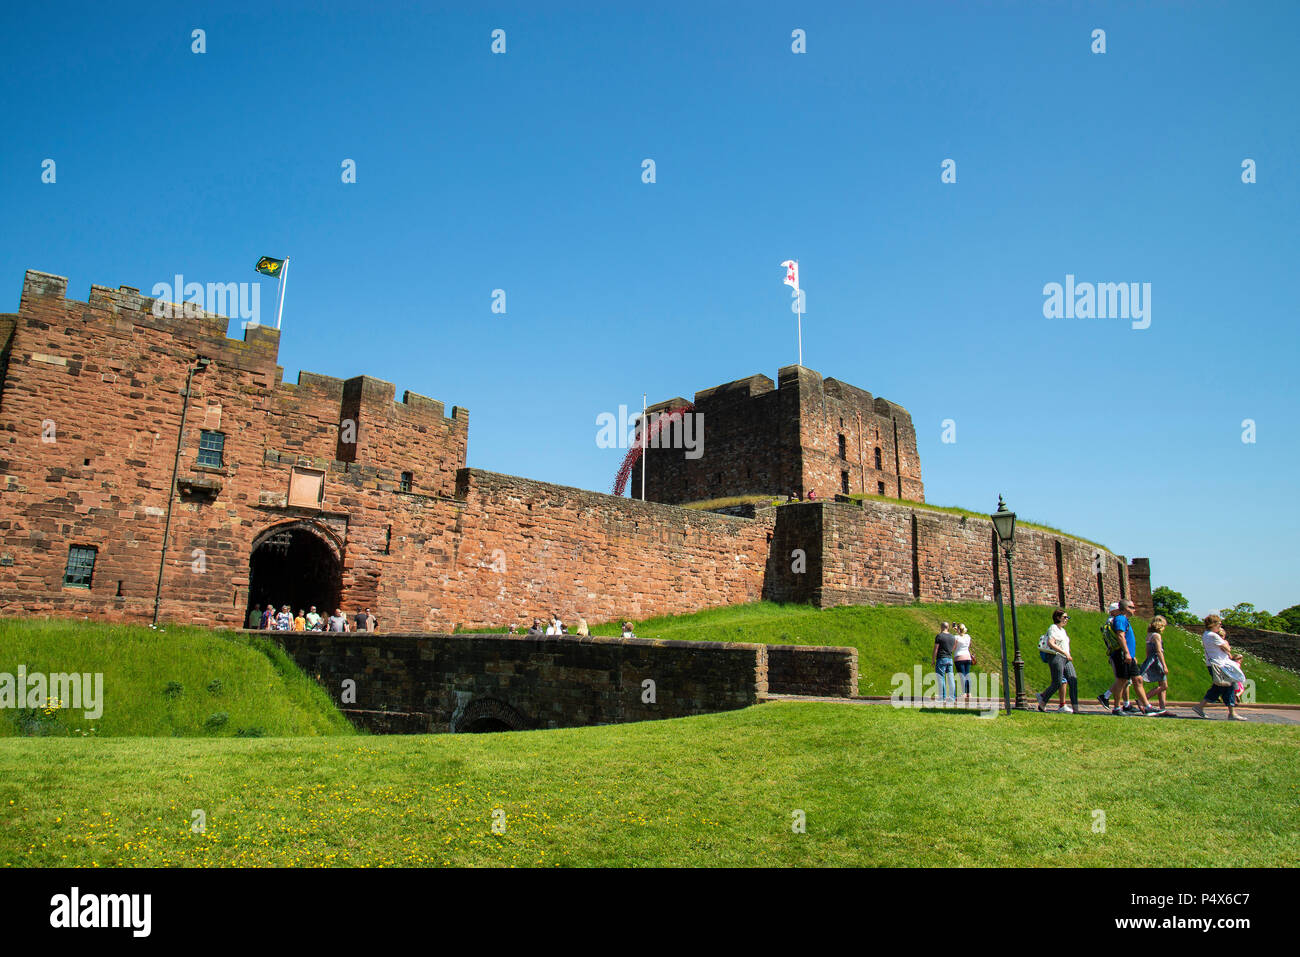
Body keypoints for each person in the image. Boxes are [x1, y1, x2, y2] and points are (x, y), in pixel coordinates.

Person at [1104, 600, 1157, 715]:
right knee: (1122, 681)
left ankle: (1147, 706)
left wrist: (1132, 655)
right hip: (1122, 655)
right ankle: (1117, 708)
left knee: (1138, 680)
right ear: (1125, 608)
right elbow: (1120, 635)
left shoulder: (1124, 620)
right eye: (1132, 607)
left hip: (1129, 656)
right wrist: (1127, 653)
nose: (1134, 609)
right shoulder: (1120, 619)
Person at [1192, 615, 1246, 721]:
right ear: (1214, 624)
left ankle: (1200, 707)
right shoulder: (1213, 636)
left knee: (1217, 688)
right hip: (1220, 665)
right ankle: (1232, 713)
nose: (1220, 626)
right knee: (1228, 686)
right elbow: (1227, 648)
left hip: (1214, 665)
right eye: (1219, 624)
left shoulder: (1206, 635)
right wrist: (1226, 647)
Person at [1035, 609, 1078, 713]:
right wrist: (1065, 652)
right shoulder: (1053, 628)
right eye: (1065, 617)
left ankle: (1076, 709)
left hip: (1066, 658)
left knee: (1073, 680)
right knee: (1057, 682)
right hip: (1056, 657)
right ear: (1058, 618)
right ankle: (1042, 702)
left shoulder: (1063, 631)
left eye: (1067, 618)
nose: (1066, 619)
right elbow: (1051, 643)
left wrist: (1068, 654)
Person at [1139, 616, 1171, 711]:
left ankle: (1162, 707)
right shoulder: (1157, 636)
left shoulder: (1149, 635)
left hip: (1151, 659)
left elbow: (1147, 650)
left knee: (1162, 685)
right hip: (1157, 660)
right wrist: (1164, 665)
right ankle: (1143, 700)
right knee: (1164, 685)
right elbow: (1159, 651)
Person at [932, 622, 957, 704]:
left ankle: (942, 697)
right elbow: (954, 646)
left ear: (941, 627)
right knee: (951, 678)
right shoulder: (952, 637)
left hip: (941, 658)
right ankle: (952, 697)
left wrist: (933, 660)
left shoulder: (939, 636)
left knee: (941, 678)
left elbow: (936, 649)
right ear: (948, 627)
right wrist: (950, 651)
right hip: (950, 659)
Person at [952, 623, 975, 702]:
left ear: (958, 629)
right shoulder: (968, 637)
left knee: (962, 675)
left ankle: (964, 692)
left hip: (959, 657)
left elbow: (954, 647)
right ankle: (969, 692)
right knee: (967, 674)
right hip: (967, 657)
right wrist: (958, 631)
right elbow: (969, 645)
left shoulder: (956, 637)